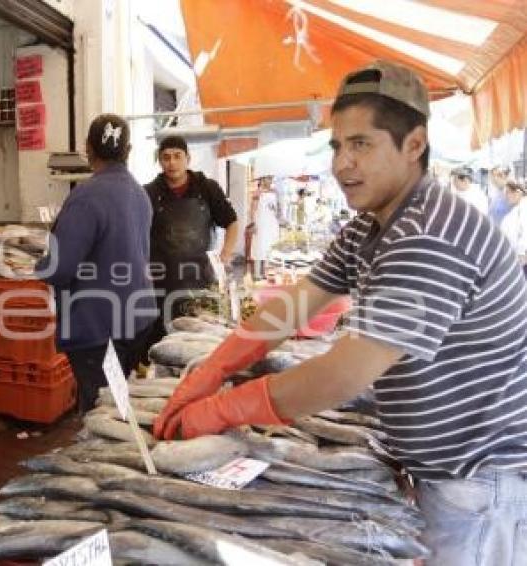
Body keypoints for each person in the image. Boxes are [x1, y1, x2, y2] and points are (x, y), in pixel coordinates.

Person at [153, 60, 527, 566]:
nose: (342, 163)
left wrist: (225, 408)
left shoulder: (428, 235)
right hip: (440, 468)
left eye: (361, 145)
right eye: (336, 145)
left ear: (414, 145)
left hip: (479, 479)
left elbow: (342, 374)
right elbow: (292, 308)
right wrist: (215, 367)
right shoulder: (368, 227)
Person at [35, 114, 155, 413]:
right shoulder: (140, 193)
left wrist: (38, 266)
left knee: (100, 414)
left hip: (97, 327)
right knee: (118, 405)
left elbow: (61, 270)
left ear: (88, 148)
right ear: (128, 151)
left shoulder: (85, 196)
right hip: (136, 320)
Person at [145, 135, 239, 308]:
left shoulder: (208, 187)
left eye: (177, 156)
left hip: (202, 279)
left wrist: (225, 255)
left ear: (188, 158)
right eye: (166, 157)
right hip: (162, 283)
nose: (172, 162)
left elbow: (232, 222)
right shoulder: (148, 193)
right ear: (159, 161)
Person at [249, 176, 281, 280]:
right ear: (262, 179)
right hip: (261, 223)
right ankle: (257, 274)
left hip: (272, 223)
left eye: (271, 178)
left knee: (270, 247)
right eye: (268, 178)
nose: (270, 181)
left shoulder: (275, 192)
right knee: (260, 247)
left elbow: (278, 209)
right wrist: (253, 223)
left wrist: (278, 212)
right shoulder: (257, 193)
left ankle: (267, 273)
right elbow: (252, 209)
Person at [500, 179, 527, 265]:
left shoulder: (524, 209)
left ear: (518, 192)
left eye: (508, 192)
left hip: (521, 260)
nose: (506, 196)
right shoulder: (516, 209)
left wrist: (522, 255)